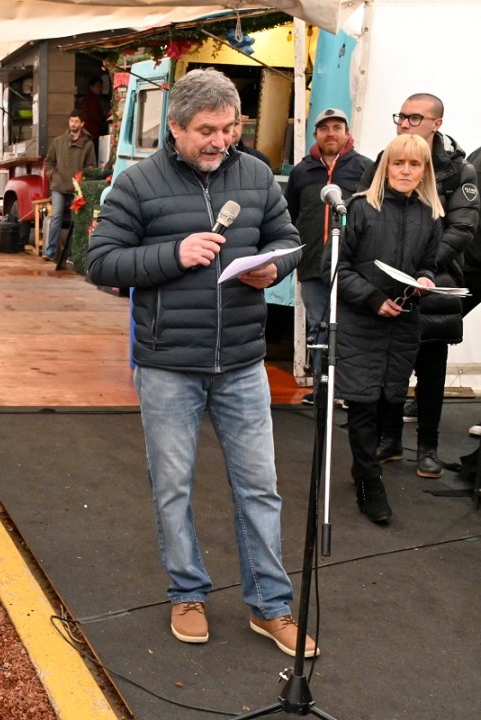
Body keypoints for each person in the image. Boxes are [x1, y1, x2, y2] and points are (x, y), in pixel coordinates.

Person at [86, 69, 316, 658]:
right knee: (173, 487)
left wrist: (274, 264)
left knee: (260, 488)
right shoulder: (138, 183)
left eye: (230, 128)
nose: (220, 141)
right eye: (207, 130)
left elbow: (288, 239)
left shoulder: (256, 175)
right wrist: (174, 253)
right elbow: (101, 263)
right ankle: (187, 593)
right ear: (176, 127)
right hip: (168, 363)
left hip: (242, 360)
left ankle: (271, 606)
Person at [361, 94, 479, 477]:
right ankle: (390, 439)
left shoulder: (459, 171)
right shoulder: (385, 160)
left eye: (414, 117)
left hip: (436, 283)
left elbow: (463, 228)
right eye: (401, 116)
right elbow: (363, 209)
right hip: (389, 281)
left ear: (436, 124)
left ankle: (428, 447)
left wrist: (420, 265)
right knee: (390, 367)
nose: (404, 123)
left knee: (431, 369)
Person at [330, 134, 441, 523]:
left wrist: (425, 281)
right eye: (398, 163)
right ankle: (369, 485)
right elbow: (335, 267)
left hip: (403, 321)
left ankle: (363, 468)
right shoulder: (359, 209)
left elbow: (428, 264)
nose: (405, 171)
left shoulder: (430, 215)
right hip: (361, 320)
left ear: (424, 171)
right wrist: (373, 299)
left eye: (414, 164)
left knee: (386, 400)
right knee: (362, 403)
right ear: (385, 167)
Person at [284, 106, 373, 400]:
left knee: (350, 329)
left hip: (352, 267)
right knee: (318, 328)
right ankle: (322, 390)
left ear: (348, 133)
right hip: (312, 265)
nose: (330, 133)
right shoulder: (301, 172)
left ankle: (350, 391)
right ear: (315, 134)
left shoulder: (365, 168)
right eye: (324, 128)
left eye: (337, 127)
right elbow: (289, 216)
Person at [43, 110, 96, 262]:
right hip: (58, 186)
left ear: (82, 124)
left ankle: (72, 255)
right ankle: (50, 252)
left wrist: (82, 180)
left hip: (76, 189)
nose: (73, 124)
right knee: (56, 217)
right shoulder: (58, 141)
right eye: (71, 120)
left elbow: (91, 166)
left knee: (76, 221)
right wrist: (53, 174)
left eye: (76, 121)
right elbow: (48, 162)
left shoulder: (88, 144)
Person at [79, 77, 108, 142]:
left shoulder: (95, 99)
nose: (100, 89)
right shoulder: (90, 100)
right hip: (91, 131)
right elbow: (97, 116)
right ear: (91, 87)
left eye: (101, 87)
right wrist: (104, 120)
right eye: (98, 86)